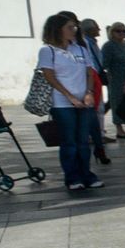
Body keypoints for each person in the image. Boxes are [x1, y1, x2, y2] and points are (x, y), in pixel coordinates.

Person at [36, 12, 102, 191]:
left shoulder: (80, 48)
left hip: (84, 101)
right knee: (69, 142)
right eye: (69, 27)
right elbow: (49, 76)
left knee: (83, 141)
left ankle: (87, 174)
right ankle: (72, 177)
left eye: (75, 27)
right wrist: (69, 96)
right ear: (58, 30)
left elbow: (89, 71)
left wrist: (88, 92)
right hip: (63, 103)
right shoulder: (48, 50)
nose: (74, 30)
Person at [70, 16, 112, 165]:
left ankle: (98, 145)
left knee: (95, 112)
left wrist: (90, 88)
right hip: (73, 87)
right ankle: (94, 147)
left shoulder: (82, 44)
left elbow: (90, 65)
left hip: (90, 80)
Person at [102, 21, 125, 138]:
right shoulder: (109, 46)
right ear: (112, 32)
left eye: (124, 31)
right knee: (117, 102)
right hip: (116, 78)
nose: (122, 33)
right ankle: (119, 128)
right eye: (118, 31)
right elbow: (104, 63)